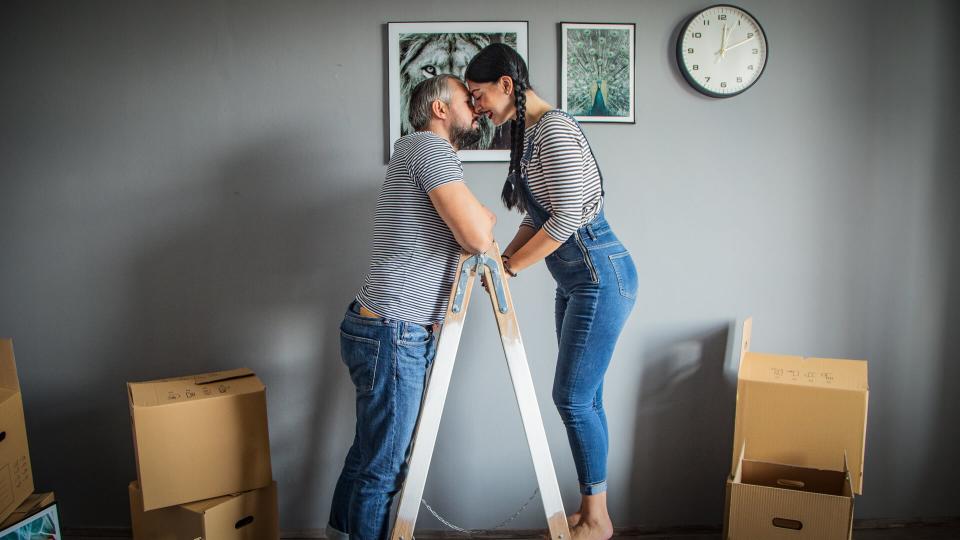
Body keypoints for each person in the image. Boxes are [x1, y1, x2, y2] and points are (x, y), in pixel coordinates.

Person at [465, 44, 638, 540]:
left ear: (505, 84)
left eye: (479, 96)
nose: (477, 108)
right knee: (587, 399)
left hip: (600, 276)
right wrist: (503, 262)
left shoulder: (555, 129)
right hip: (577, 281)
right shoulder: (531, 133)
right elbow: (534, 216)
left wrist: (511, 266)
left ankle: (597, 521)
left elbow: (563, 221)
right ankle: (590, 513)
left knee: (573, 399)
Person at [326, 74, 496, 540]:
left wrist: (479, 215)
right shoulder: (430, 149)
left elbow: (472, 223)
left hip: (378, 324)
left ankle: (340, 533)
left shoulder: (416, 153)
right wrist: (482, 217)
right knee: (384, 468)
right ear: (440, 109)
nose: (477, 108)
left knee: (368, 453)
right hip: (394, 331)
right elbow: (479, 234)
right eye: (467, 100)